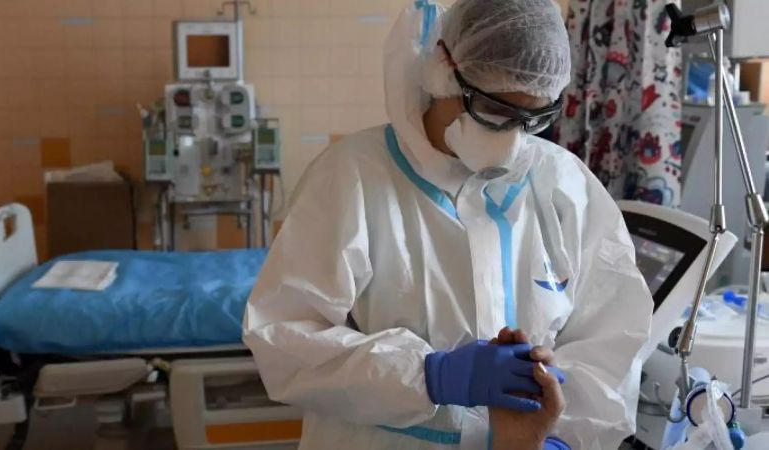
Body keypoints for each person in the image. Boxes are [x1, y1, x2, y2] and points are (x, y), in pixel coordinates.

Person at [242, 0, 653, 449]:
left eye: (533, 119)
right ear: (443, 69)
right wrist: (429, 375)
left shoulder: (565, 186)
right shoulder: (352, 178)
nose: (513, 142)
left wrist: (562, 439)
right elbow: (284, 340)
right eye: (496, 112)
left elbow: (611, 337)